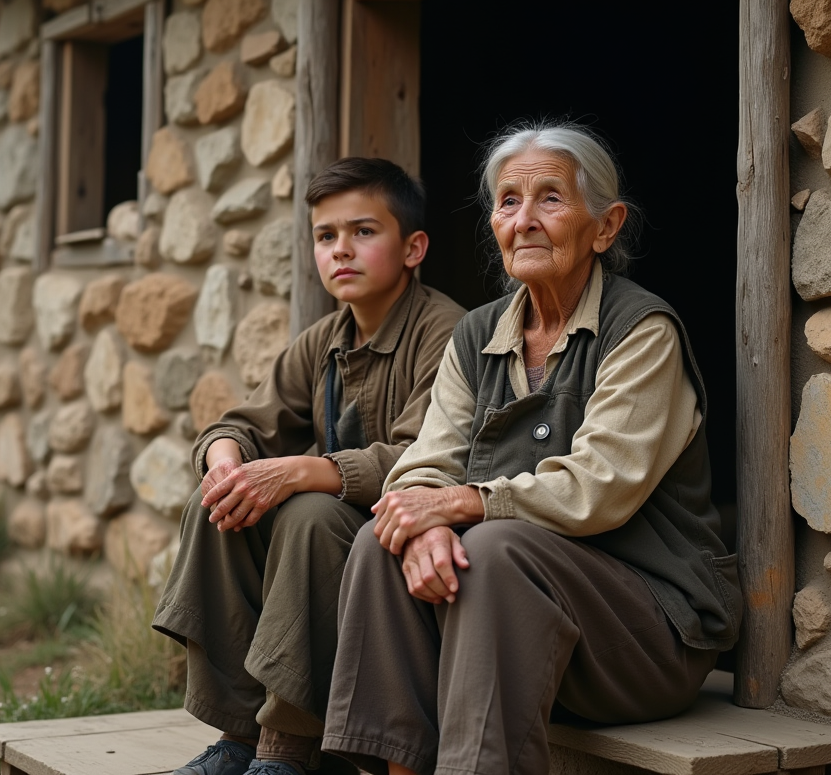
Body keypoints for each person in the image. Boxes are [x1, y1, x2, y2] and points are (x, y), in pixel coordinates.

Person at [321, 122, 743, 775]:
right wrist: (421, 521)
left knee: (494, 547)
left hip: (649, 638)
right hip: (519, 628)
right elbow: (426, 459)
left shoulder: (641, 332)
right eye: (509, 202)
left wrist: (462, 504)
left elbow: (599, 486)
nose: (526, 221)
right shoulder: (476, 335)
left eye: (551, 198)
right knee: (384, 540)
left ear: (606, 226)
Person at [153, 157, 466, 775]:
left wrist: (297, 471)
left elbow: (422, 455)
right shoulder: (324, 338)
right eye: (326, 237)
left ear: (413, 247)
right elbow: (241, 424)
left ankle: (288, 750)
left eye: (364, 232)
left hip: (415, 546)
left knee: (309, 515)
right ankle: (239, 737)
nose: (341, 251)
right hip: (333, 543)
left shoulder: (446, 331)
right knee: (218, 502)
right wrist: (226, 465)